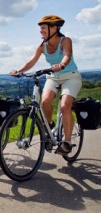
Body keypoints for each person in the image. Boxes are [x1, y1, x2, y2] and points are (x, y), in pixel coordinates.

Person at [10, 15, 82, 154]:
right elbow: (32, 61)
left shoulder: (65, 40)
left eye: (43, 28)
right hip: (53, 76)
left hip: (70, 76)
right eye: (40, 28)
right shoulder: (43, 45)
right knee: (45, 102)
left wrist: (62, 64)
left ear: (54, 28)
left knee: (65, 105)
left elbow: (67, 55)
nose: (40, 31)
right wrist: (18, 71)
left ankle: (67, 142)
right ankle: (49, 128)